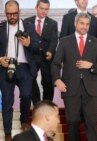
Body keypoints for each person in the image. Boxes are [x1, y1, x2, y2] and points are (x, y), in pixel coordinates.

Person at [51, 13, 97, 141]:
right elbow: (55, 64)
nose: (84, 27)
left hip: (91, 89)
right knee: (72, 122)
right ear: (75, 24)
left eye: (87, 24)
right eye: (82, 23)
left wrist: (91, 65)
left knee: (91, 123)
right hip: (70, 89)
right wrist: (57, 80)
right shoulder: (65, 41)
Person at [0, 1, 39, 141]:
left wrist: (29, 44)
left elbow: (37, 47)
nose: (12, 16)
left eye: (14, 13)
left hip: (25, 67)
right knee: (7, 100)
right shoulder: (0, 27)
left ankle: (24, 122)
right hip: (5, 68)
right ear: (5, 13)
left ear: (19, 11)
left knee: (27, 95)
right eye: (9, 13)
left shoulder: (29, 26)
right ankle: (8, 134)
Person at [25, 0, 58, 104]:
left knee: (48, 82)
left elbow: (54, 39)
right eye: (41, 8)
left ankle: (47, 104)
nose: (44, 11)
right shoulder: (27, 21)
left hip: (46, 56)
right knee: (30, 79)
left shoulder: (53, 23)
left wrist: (51, 51)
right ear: (36, 8)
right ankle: (37, 103)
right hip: (32, 56)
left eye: (46, 9)